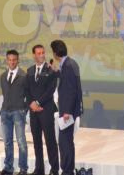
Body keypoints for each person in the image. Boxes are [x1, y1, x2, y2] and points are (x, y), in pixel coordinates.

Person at [24, 44, 59, 175]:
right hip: (33, 112)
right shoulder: (30, 70)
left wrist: (38, 102)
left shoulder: (51, 70)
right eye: (38, 53)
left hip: (46, 110)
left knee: (50, 141)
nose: (41, 55)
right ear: (34, 55)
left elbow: (51, 90)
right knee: (36, 142)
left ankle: (54, 170)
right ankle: (39, 169)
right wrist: (32, 103)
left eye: (43, 52)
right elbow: (26, 90)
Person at [50, 40, 82, 175]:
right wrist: (56, 72)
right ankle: (69, 168)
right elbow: (67, 81)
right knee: (67, 141)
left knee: (65, 142)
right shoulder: (69, 63)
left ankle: (67, 170)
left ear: (56, 53)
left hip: (67, 111)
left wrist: (67, 111)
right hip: (69, 110)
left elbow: (71, 90)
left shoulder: (68, 65)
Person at [0, 49, 28, 175]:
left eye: (14, 60)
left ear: (18, 60)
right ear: (6, 60)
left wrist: (23, 110)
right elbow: (5, 95)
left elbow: (29, 95)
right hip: (5, 112)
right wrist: (2, 110)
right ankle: (8, 167)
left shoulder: (24, 76)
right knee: (7, 142)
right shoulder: (3, 76)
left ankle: (23, 168)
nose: (11, 62)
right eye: (9, 60)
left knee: (21, 142)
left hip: (18, 112)